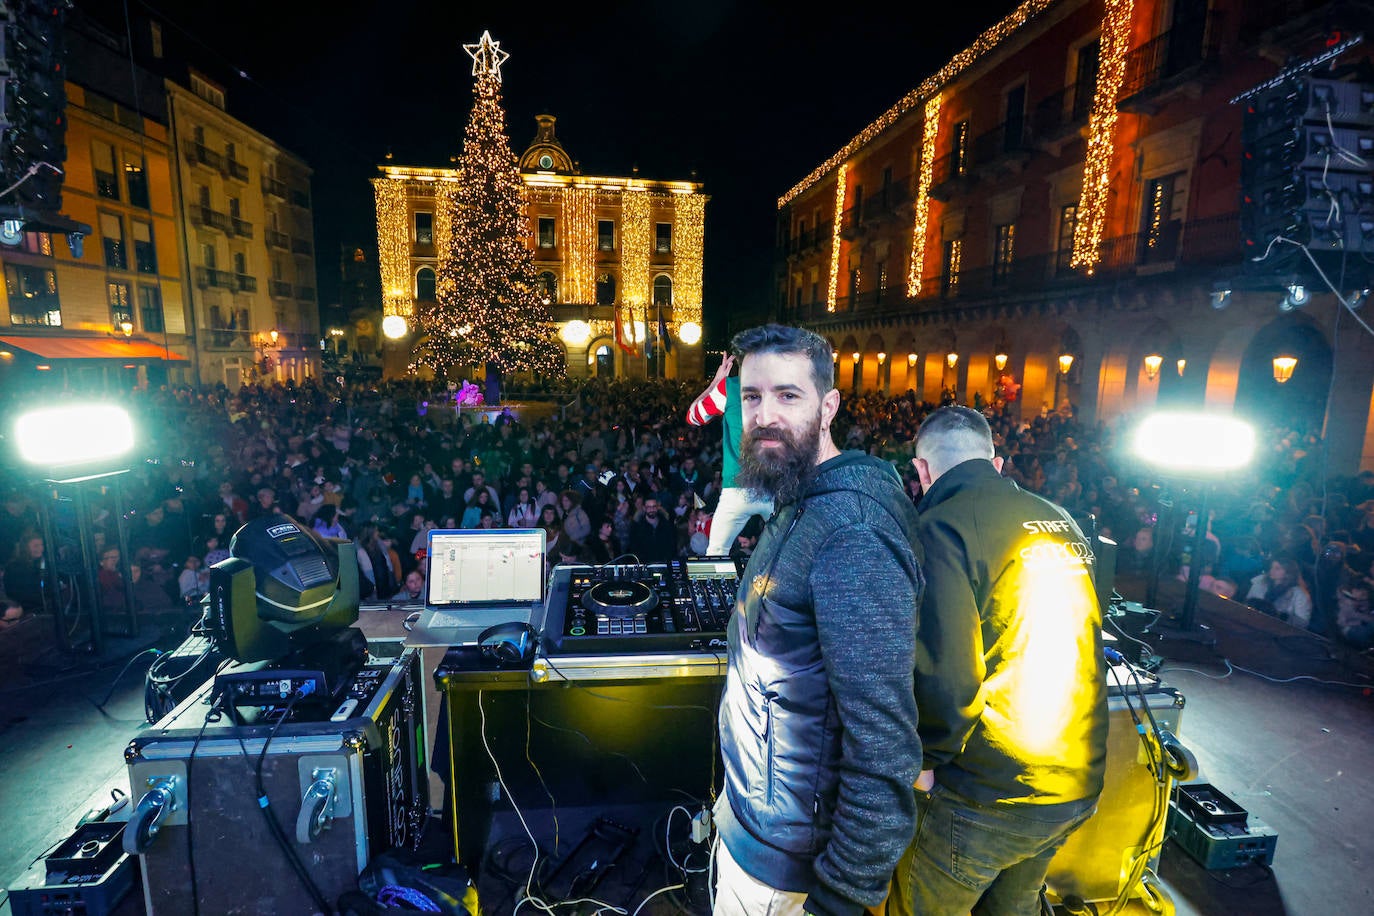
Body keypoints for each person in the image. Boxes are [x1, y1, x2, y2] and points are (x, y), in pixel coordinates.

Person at [713, 324, 923, 916]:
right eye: (751, 397)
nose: (764, 415)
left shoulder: (851, 532)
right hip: (758, 827)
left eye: (788, 395)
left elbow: (883, 748)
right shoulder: (799, 500)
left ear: (828, 405)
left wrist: (840, 899)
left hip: (792, 869)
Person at [891, 405, 1108, 916]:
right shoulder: (1060, 518)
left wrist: (927, 759)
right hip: (1075, 780)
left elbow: (947, 674)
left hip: (990, 793)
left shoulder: (940, 526)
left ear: (921, 472)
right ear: (998, 461)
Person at [687, 354, 774, 556]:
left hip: (737, 488)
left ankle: (718, 587)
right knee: (788, 547)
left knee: (716, 553)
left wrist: (716, 383)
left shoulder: (729, 387)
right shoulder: (781, 391)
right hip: (773, 486)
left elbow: (693, 417)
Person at [1243, 554, 1314, 628]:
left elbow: (1302, 622)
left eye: (1277, 568)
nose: (1272, 571)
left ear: (1288, 572)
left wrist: (1282, 617)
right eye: (1272, 567)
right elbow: (1248, 602)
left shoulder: (1298, 594)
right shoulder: (1260, 582)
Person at [627, 495, 677, 563]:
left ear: (657, 508)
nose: (652, 509)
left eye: (654, 506)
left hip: (664, 564)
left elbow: (672, 546)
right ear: (644, 508)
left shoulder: (667, 525)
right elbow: (634, 548)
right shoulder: (637, 527)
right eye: (649, 507)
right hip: (644, 565)